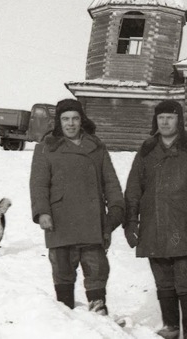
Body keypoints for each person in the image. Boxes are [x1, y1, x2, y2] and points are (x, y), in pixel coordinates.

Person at [124, 100, 187, 339]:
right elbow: (133, 189)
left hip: (185, 226)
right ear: (155, 121)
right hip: (153, 226)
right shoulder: (146, 149)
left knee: (186, 281)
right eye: (161, 117)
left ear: (180, 120)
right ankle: (171, 327)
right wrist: (131, 223)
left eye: (170, 117)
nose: (165, 122)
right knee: (163, 281)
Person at [29, 98, 124, 315]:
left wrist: (116, 208)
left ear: (82, 120)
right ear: (58, 122)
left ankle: (99, 312)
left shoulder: (96, 146)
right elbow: (38, 184)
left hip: (92, 221)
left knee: (97, 268)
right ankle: (66, 315)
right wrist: (42, 211)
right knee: (62, 269)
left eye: (74, 118)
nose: (70, 123)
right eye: (65, 119)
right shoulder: (46, 148)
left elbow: (110, 181)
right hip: (60, 220)